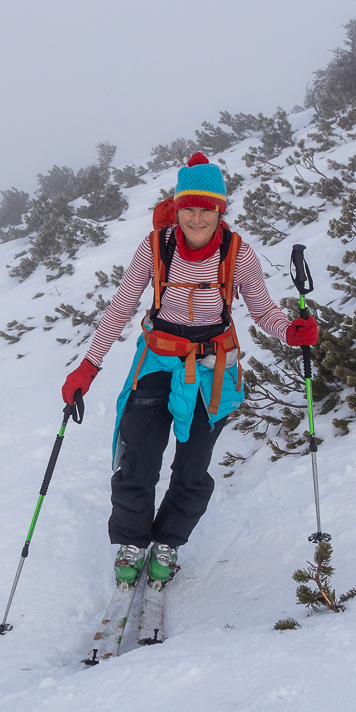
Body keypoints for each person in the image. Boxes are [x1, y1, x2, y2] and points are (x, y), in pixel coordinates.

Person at [60, 152, 319, 588]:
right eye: (189, 208)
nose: (197, 219)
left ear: (220, 210)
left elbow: (262, 310)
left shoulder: (238, 253)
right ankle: (133, 540)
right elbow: (121, 308)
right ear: (177, 207)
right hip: (157, 361)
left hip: (212, 369)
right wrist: (89, 365)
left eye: (207, 209)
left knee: (193, 466)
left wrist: (290, 331)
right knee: (139, 459)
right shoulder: (156, 246)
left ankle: (169, 541)